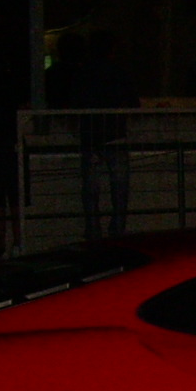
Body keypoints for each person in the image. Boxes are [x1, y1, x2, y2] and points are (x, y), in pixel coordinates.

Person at [74, 31, 139, 239]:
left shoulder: (83, 72)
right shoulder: (119, 72)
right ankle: (117, 231)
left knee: (91, 190)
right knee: (119, 189)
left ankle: (93, 230)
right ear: (112, 50)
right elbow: (133, 102)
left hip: (91, 136)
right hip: (115, 135)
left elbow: (74, 101)